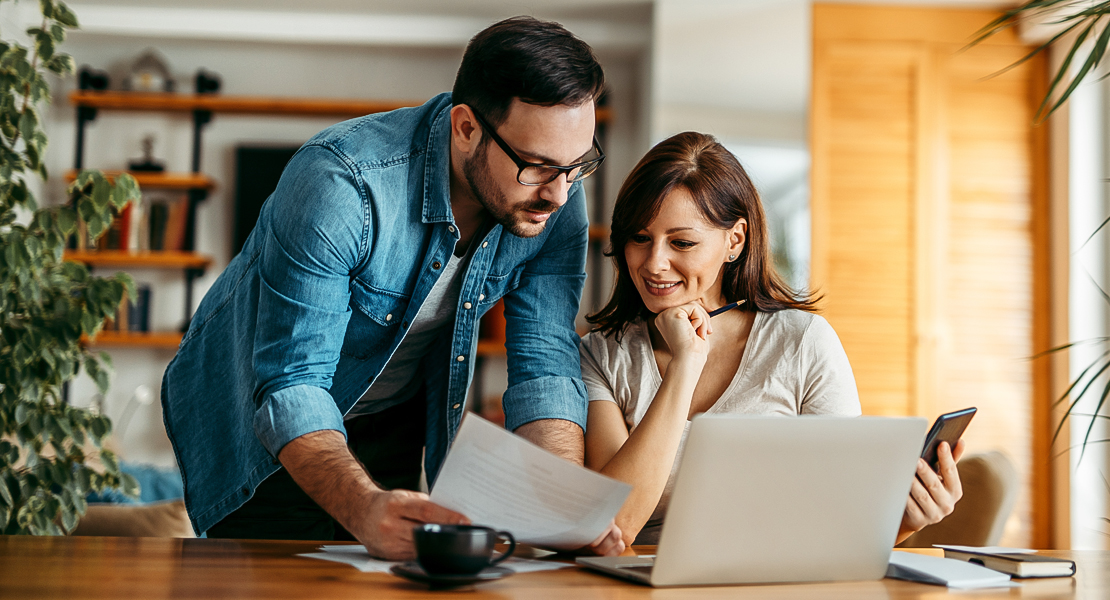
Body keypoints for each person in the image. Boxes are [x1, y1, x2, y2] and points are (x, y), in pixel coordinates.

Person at [162, 16, 623, 559]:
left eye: (577, 167)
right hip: (261, 423)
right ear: (466, 128)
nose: (559, 194)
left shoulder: (557, 197)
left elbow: (544, 360)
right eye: (537, 166)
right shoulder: (339, 185)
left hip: (392, 414)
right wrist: (360, 508)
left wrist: (562, 502)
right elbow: (292, 383)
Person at [580, 132, 965, 545]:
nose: (654, 263)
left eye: (682, 242)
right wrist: (685, 366)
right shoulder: (601, 355)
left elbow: (844, 522)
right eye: (640, 238)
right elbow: (614, 527)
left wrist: (907, 522)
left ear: (735, 240)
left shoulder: (803, 344)